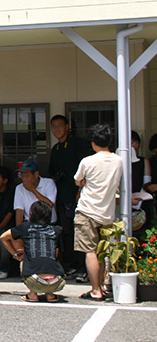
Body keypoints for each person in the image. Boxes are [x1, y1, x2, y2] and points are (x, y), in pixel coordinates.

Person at [74, 123, 122, 301]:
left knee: (90, 251)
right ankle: (102, 286)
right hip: (107, 212)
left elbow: (78, 181)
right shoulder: (118, 160)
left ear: (93, 142)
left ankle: (95, 290)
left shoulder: (88, 161)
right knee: (104, 252)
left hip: (87, 211)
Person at [48, 114, 91, 279]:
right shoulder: (56, 148)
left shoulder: (77, 144)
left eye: (60, 125)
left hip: (77, 195)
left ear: (67, 127)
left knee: (79, 231)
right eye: (54, 126)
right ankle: (71, 265)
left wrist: (81, 190)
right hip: (61, 196)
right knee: (66, 232)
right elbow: (52, 172)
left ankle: (83, 267)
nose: (57, 129)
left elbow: (85, 169)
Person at [0, 200, 66, 302]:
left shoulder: (25, 227)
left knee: (25, 261)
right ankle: (50, 294)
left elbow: (3, 237)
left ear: (32, 214)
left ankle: (32, 294)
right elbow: (56, 253)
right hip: (57, 282)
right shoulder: (56, 230)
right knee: (49, 259)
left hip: (34, 281)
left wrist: (15, 255)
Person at [13, 159, 57, 226]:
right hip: (29, 223)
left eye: (27, 176)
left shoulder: (49, 183)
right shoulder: (20, 188)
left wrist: (33, 190)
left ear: (36, 174)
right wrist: (19, 232)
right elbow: (19, 211)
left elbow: (49, 204)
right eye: (22, 176)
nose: (24, 180)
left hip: (49, 224)